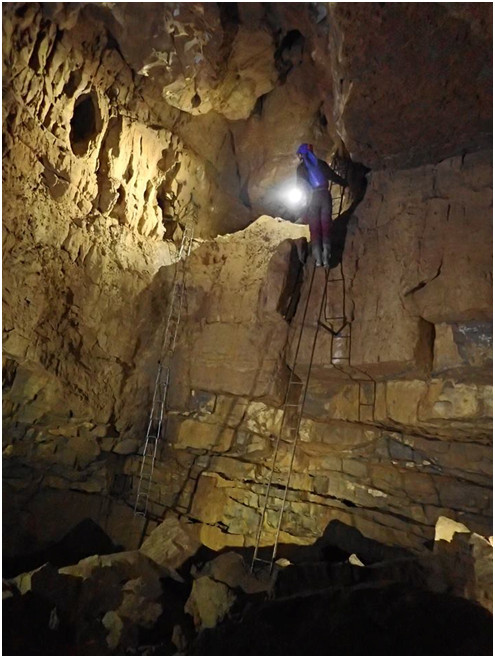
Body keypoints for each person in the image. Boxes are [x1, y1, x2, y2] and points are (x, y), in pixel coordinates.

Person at [296, 143, 347, 267]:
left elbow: (301, 187)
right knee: (325, 225)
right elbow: (334, 177)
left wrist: (303, 207)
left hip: (312, 197)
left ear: (301, 155)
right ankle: (326, 257)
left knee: (315, 228)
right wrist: (346, 183)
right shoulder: (321, 164)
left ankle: (318, 259)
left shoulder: (301, 169)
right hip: (325, 195)